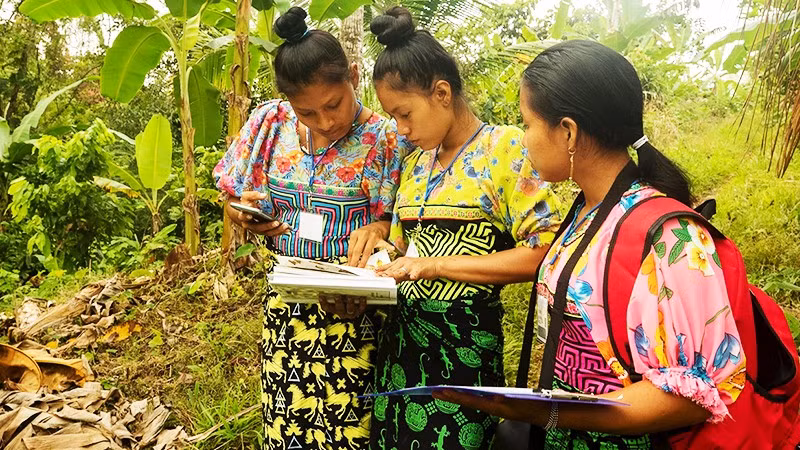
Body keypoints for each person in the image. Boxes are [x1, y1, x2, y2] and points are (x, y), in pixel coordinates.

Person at [434, 40, 749, 448]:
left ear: (568, 131)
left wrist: (549, 412)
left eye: (527, 123)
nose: (524, 139)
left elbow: (700, 390)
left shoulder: (671, 236)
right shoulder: (586, 211)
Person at [213, 7, 411, 449]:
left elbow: (399, 223)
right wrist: (242, 212)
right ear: (287, 102)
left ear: (354, 76)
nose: (324, 122)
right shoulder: (269, 123)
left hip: (354, 308)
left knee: (350, 428)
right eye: (307, 112)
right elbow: (233, 193)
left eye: (333, 105)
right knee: (288, 428)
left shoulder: (385, 138)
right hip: (288, 305)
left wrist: (378, 230)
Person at [365, 7, 561, 449]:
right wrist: (376, 261)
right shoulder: (415, 164)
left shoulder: (506, 150)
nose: (401, 129)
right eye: (392, 118)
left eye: (405, 113)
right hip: (398, 355)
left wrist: (437, 266)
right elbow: (400, 249)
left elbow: (545, 253)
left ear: (441, 92)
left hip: (463, 356)